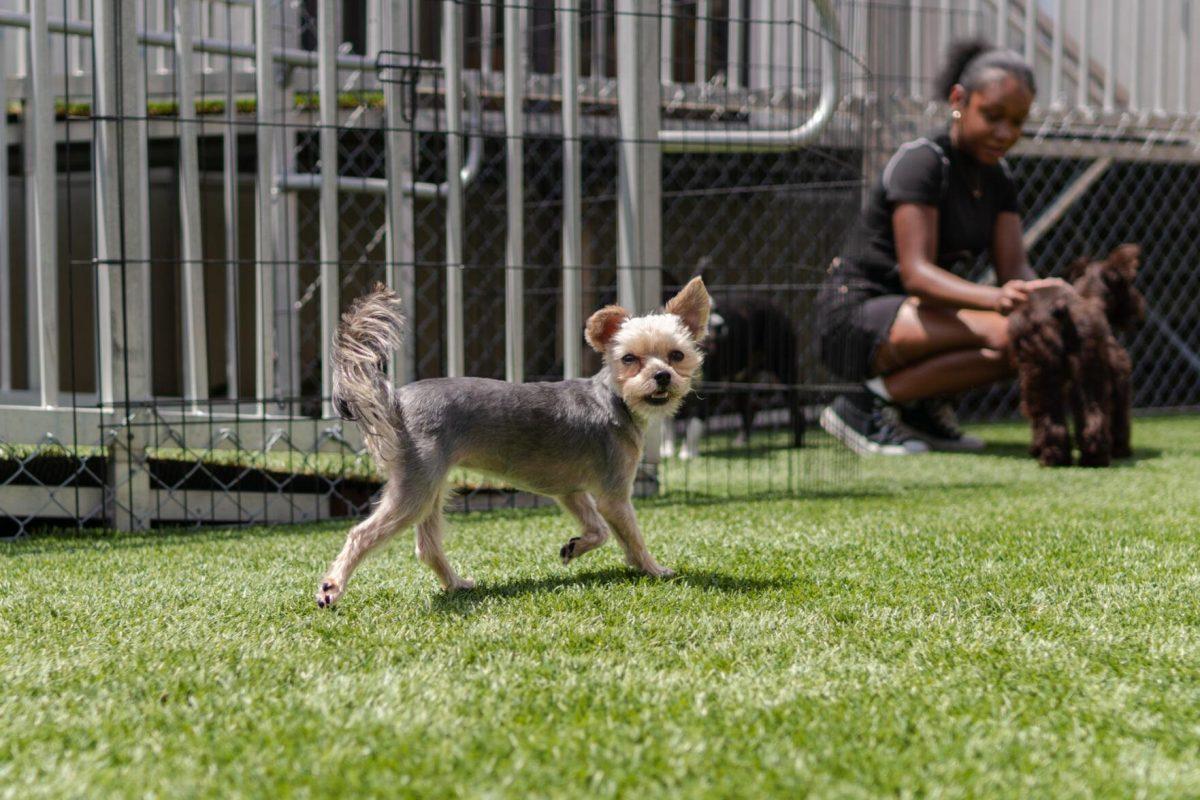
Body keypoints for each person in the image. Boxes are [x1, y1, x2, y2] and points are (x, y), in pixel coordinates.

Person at [816, 39, 1062, 455]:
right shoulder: (924, 162)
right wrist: (997, 298)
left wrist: (1050, 300)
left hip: (919, 316)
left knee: (1031, 332)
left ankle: (917, 411)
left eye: (1017, 122)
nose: (1005, 133)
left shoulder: (998, 178)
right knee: (1009, 332)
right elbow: (917, 274)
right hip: (856, 314)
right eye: (993, 115)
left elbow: (1016, 270)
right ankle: (860, 407)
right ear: (958, 100)